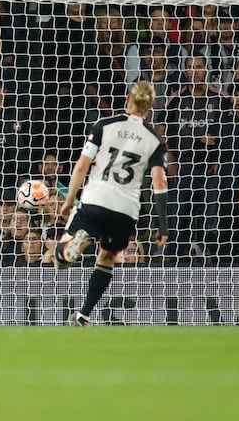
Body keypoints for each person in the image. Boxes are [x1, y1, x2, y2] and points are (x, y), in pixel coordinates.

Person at [54, 81, 169, 326]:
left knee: (60, 260)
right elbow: (159, 182)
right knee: (106, 259)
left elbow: (82, 166)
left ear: (127, 99)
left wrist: (70, 200)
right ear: (151, 105)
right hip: (126, 210)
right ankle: (84, 314)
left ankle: (75, 244)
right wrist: (163, 226)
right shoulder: (155, 139)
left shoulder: (105, 125)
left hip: (96, 198)